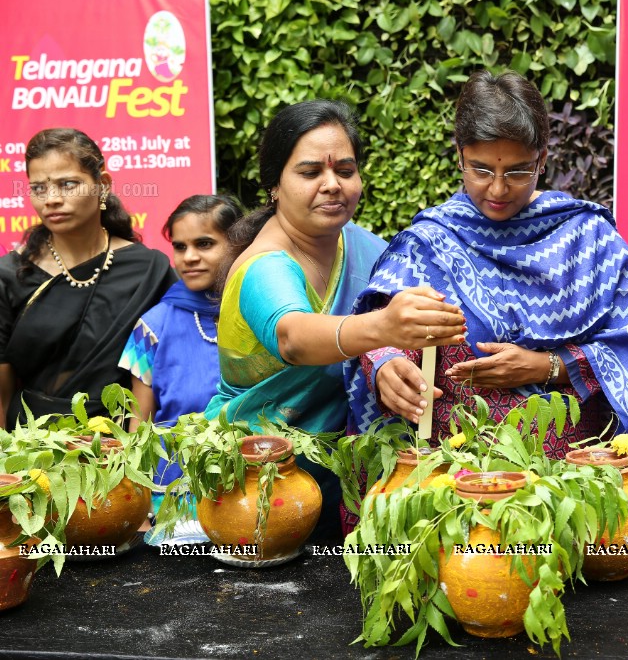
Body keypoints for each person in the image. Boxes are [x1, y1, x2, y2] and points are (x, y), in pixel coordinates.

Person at [347, 70, 628, 455]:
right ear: (460, 155)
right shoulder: (430, 242)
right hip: (453, 477)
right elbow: (379, 324)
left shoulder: (590, 241)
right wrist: (386, 366)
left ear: (542, 159)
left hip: (569, 482)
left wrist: (547, 367)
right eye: (480, 169)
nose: (497, 188)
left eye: (517, 171)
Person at [204, 99, 465, 535]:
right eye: (310, 173)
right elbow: (294, 337)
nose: (332, 185)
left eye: (344, 170)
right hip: (258, 483)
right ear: (274, 185)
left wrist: (385, 360)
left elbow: (386, 339)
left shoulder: (366, 248)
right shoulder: (264, 266)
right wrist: (381, 328)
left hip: (346, 476)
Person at [0, 128, 177, 428]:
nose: (51, 199)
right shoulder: (12, 275)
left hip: (120, 447)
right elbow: (2, 394)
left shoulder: (149, 270)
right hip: (30, 450)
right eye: (39, 188)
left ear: (102, 185)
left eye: (67, 184)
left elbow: (161, 373)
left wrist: (133, 453)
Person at [118, 194, 243, 495]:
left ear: (239, 244)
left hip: (248, 486)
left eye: (204, 244)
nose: (189, 257)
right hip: (172, 493)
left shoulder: (259, 316)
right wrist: (140, 499)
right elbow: (139, 425)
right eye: (179, 246)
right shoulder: (150, 327)